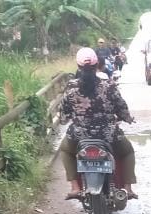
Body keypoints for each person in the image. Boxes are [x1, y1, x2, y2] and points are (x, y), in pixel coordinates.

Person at [59, 48, 137, 200]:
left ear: (78, 66)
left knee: (65, 151)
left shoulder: (71, 88)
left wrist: (69, 118)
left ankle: (75, 187)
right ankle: (128, 188)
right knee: (128, 152)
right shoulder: (109, 85)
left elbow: (63, 114)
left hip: (79, 135)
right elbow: (121, 107)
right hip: (108, 134)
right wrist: (127, 118)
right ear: (97, 65)